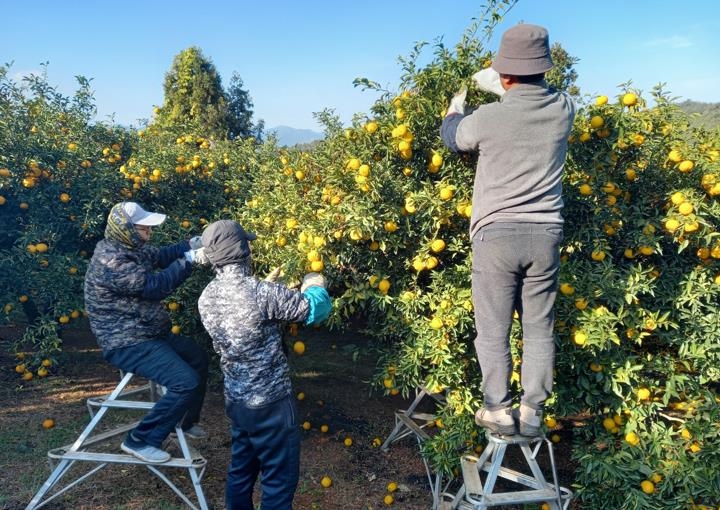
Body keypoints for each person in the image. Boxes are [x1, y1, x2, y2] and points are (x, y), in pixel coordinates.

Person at [441, 23, 576, 436]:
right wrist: (506, 86)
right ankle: (533, 411)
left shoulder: (487, 118)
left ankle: (498, 409)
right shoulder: (564, 109)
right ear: (544, 69)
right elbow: (537, 98)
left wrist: (453, 108)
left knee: (494, 328)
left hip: (495, 237)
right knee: (538, 329)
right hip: (544, 236)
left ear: (505, 74)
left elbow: (452, 138)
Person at [197, 219, 332, 510]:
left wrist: (273, 289)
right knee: (278, 483)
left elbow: (246, 310)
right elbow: (316, 309)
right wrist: (314, 283)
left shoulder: (206, 296)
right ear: (244, 251)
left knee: (241, 473)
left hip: (237, 400)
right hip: (271, 404)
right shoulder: (261, 293)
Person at [84, 201, 209, 463]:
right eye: (143, 230)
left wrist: (191, 244)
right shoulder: (112, 261)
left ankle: (183, 422)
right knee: (184, 381)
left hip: (150, 332)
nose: (148, 234)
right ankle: (140, 439)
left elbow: (161, 256)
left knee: (197, 357)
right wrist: (189, 261)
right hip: (127, 341)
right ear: (126, 230)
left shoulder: (131, 248)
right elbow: (155, 286)